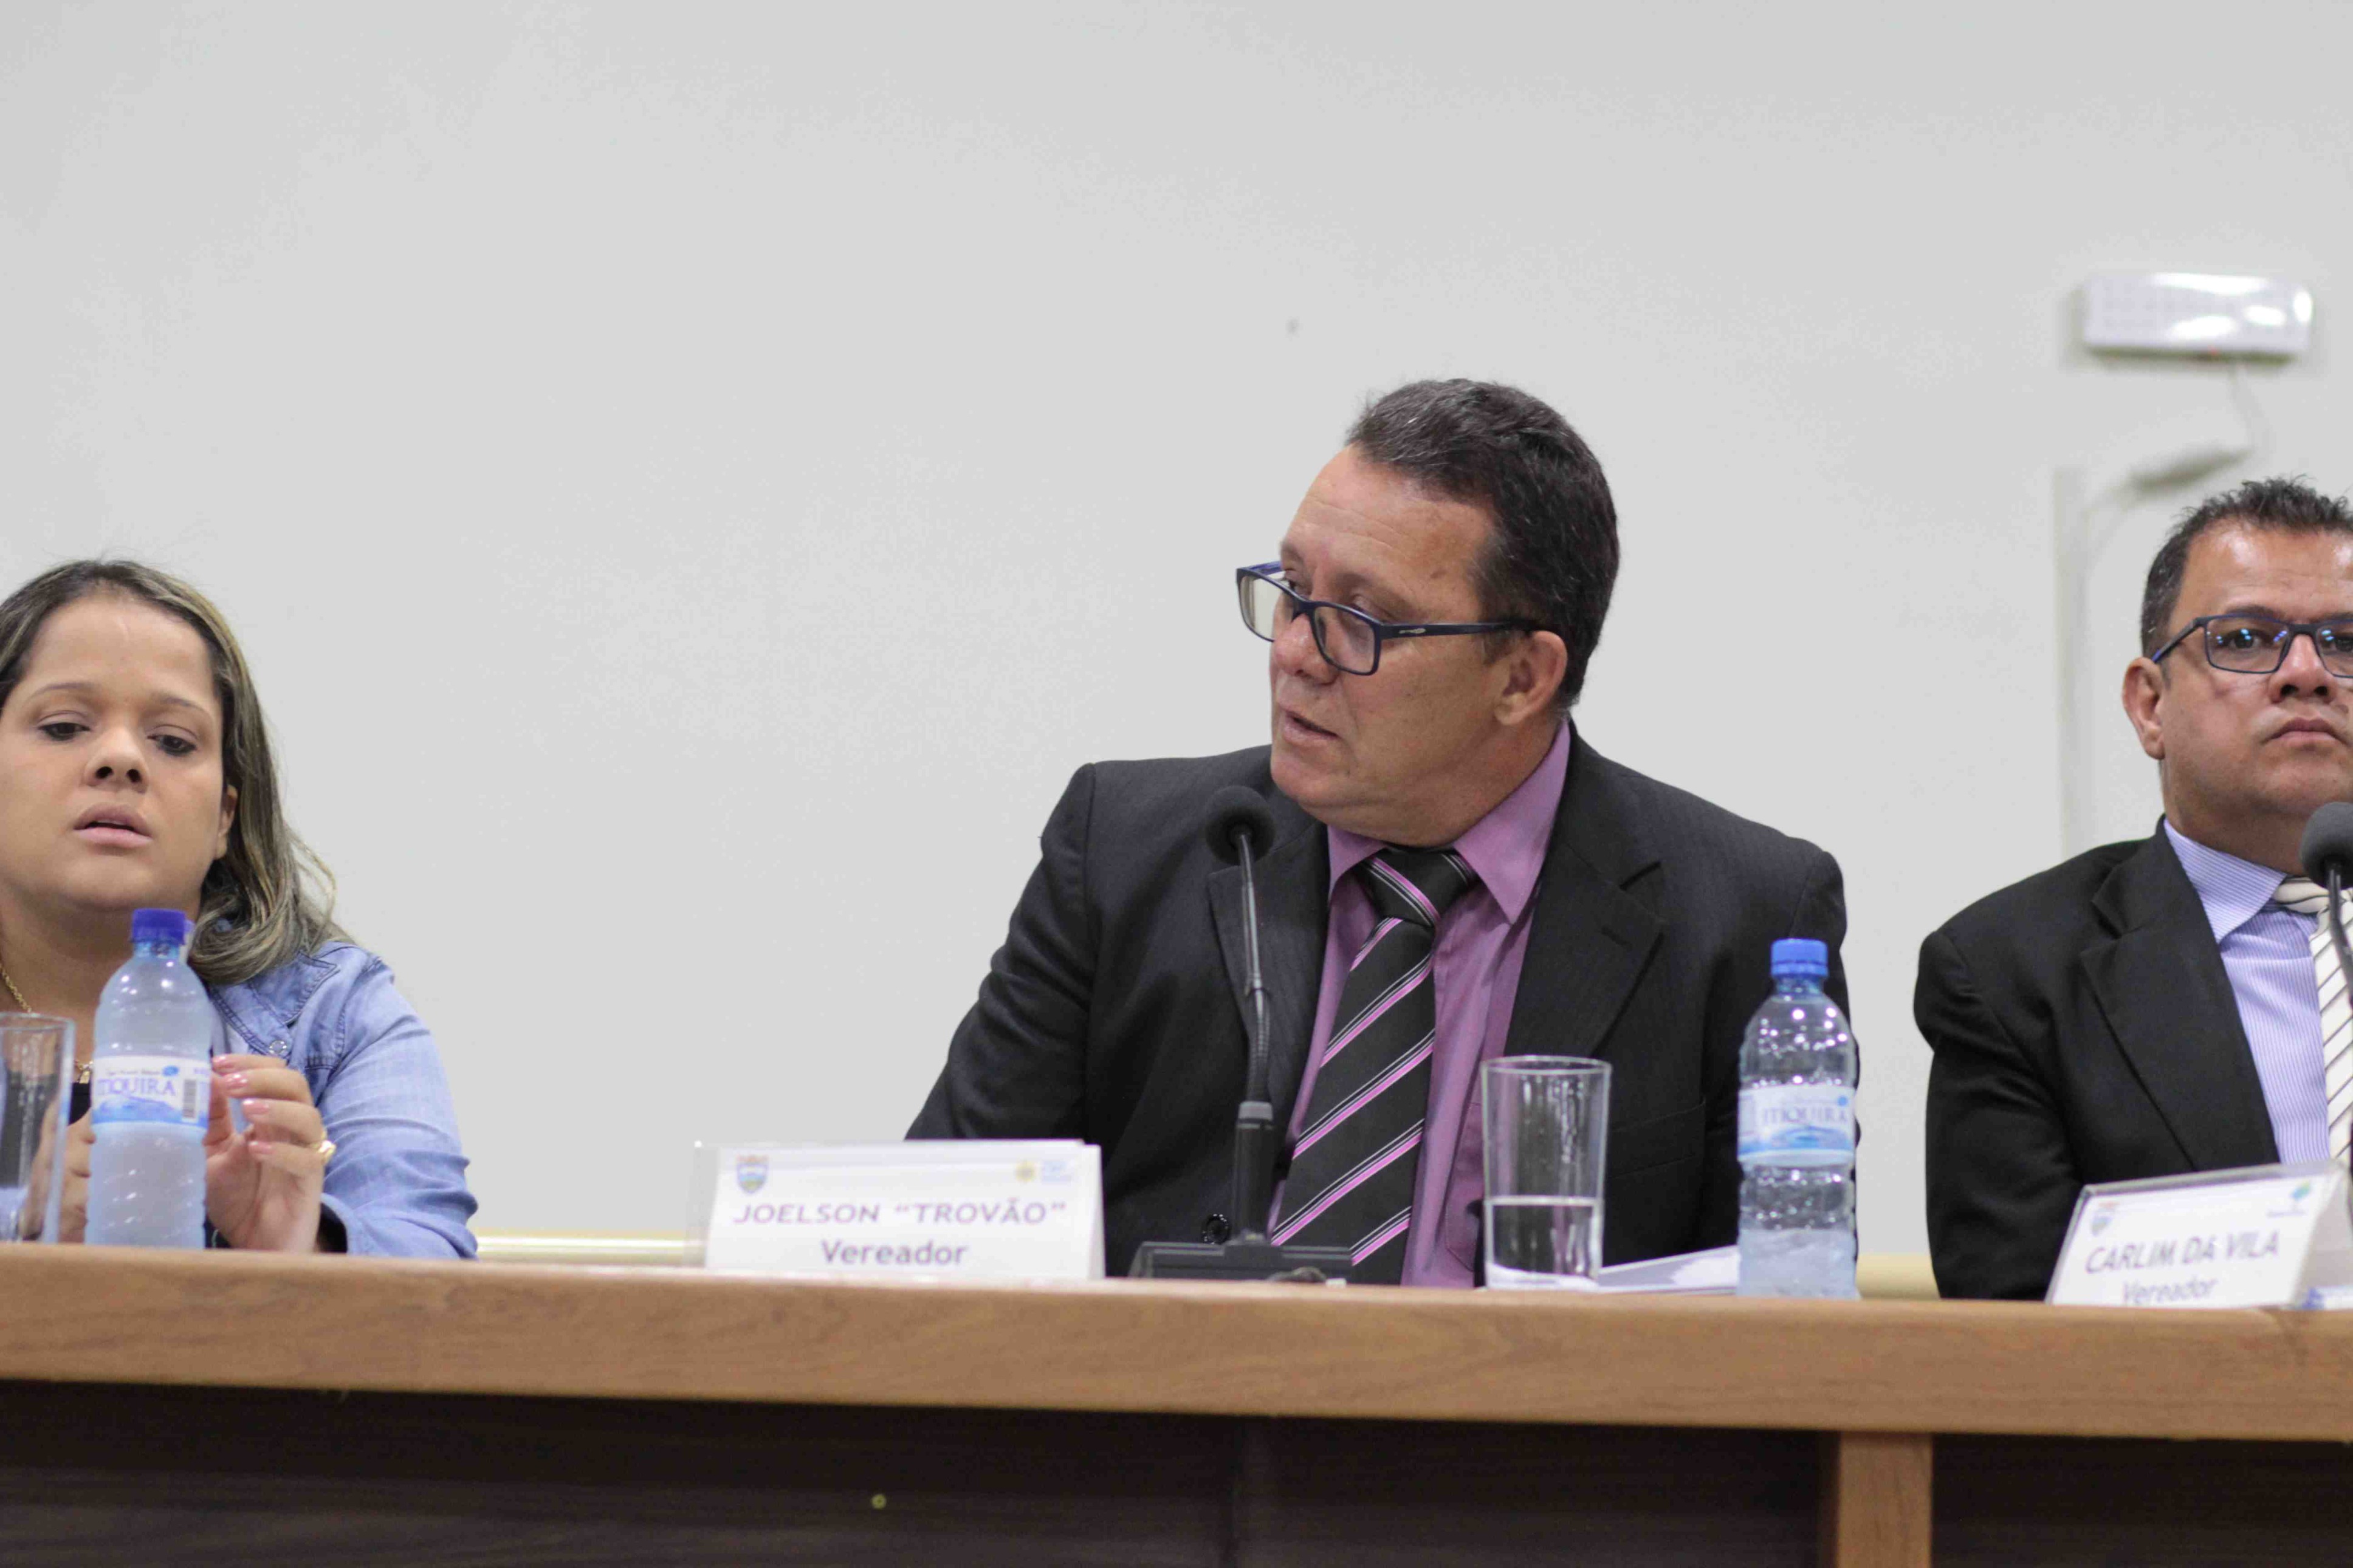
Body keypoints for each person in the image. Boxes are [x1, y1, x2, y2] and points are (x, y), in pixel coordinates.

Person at [910, 379, 1848, 1282]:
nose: (1294, 653)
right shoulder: (1128, 853)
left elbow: (1782, 1311)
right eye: (1293, 590)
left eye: (1360, 620)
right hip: (1175, 1391)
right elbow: (945, 1237)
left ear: (1521, 678)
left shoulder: (1740, 917)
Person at [1922, 478, 2353, 1299]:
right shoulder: (2013, 972)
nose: (2307, 673)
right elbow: (2011, 1323)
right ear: (2149, 705)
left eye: (2346, 642)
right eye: (2245, 638)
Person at [0, 560, 475, 1257]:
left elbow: (439, 1274)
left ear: (225, 817)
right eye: (66, 726)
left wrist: (305, 1247)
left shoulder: (333, 1015)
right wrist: (22, 1239)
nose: (122, 759)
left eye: (173, 741)